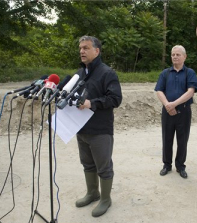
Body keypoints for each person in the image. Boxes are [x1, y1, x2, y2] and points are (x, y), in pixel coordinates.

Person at [74, 35, 122, 217]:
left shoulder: (107, 73)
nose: (81, 51)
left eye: (86, 48)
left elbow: (115, 99)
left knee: (103, 167)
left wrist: (91, 103)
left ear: (97, 51)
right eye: (80, 48)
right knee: (87, 164)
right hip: (81, 128)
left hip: (100, 130)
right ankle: (92, 193)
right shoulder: (80, 74)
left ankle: (105, 199)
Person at [154, 45, 197, 179]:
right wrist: (168, 105)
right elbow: (159, 90)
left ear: (184, 57)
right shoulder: (165, 73)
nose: (175, 57)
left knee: (182, 140)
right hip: (167, 112)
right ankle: (167, 165)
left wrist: (174, 104)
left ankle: (180, 166)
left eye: (178, 55)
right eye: (173, 54)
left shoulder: (189, 73)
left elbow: (191, 91)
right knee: (166, 139)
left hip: (183, 112)